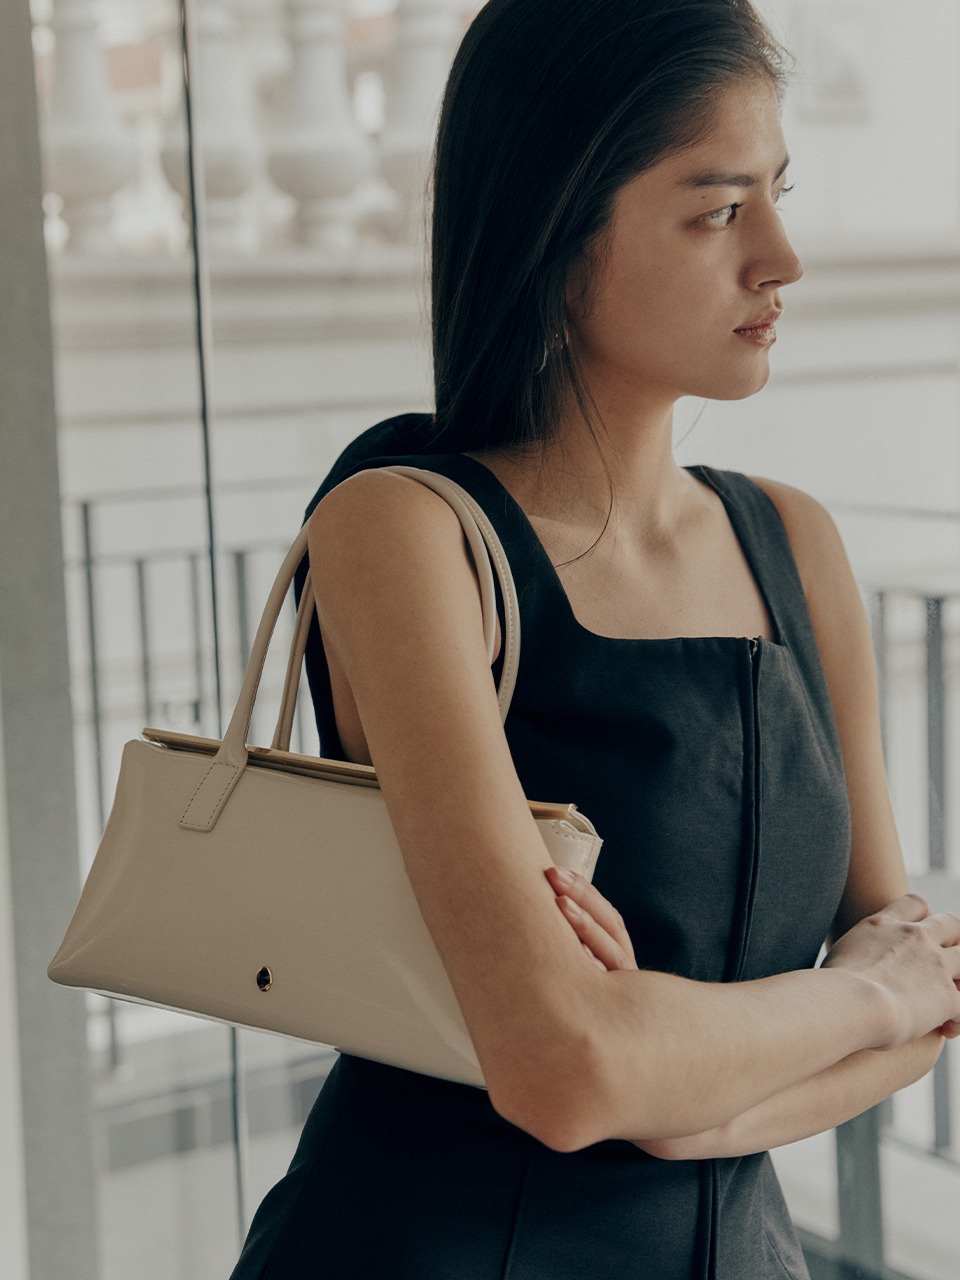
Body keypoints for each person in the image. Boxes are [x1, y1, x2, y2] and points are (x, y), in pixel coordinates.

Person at [230, 1, 960, 1276]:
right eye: (720, 209)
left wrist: (687, 1091)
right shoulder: (405, 529)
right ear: (559, 232)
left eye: (777, 195)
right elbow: (565, 1073)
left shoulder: (796, 542)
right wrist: (859, 995)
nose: (782, 257)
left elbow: (930, 993)